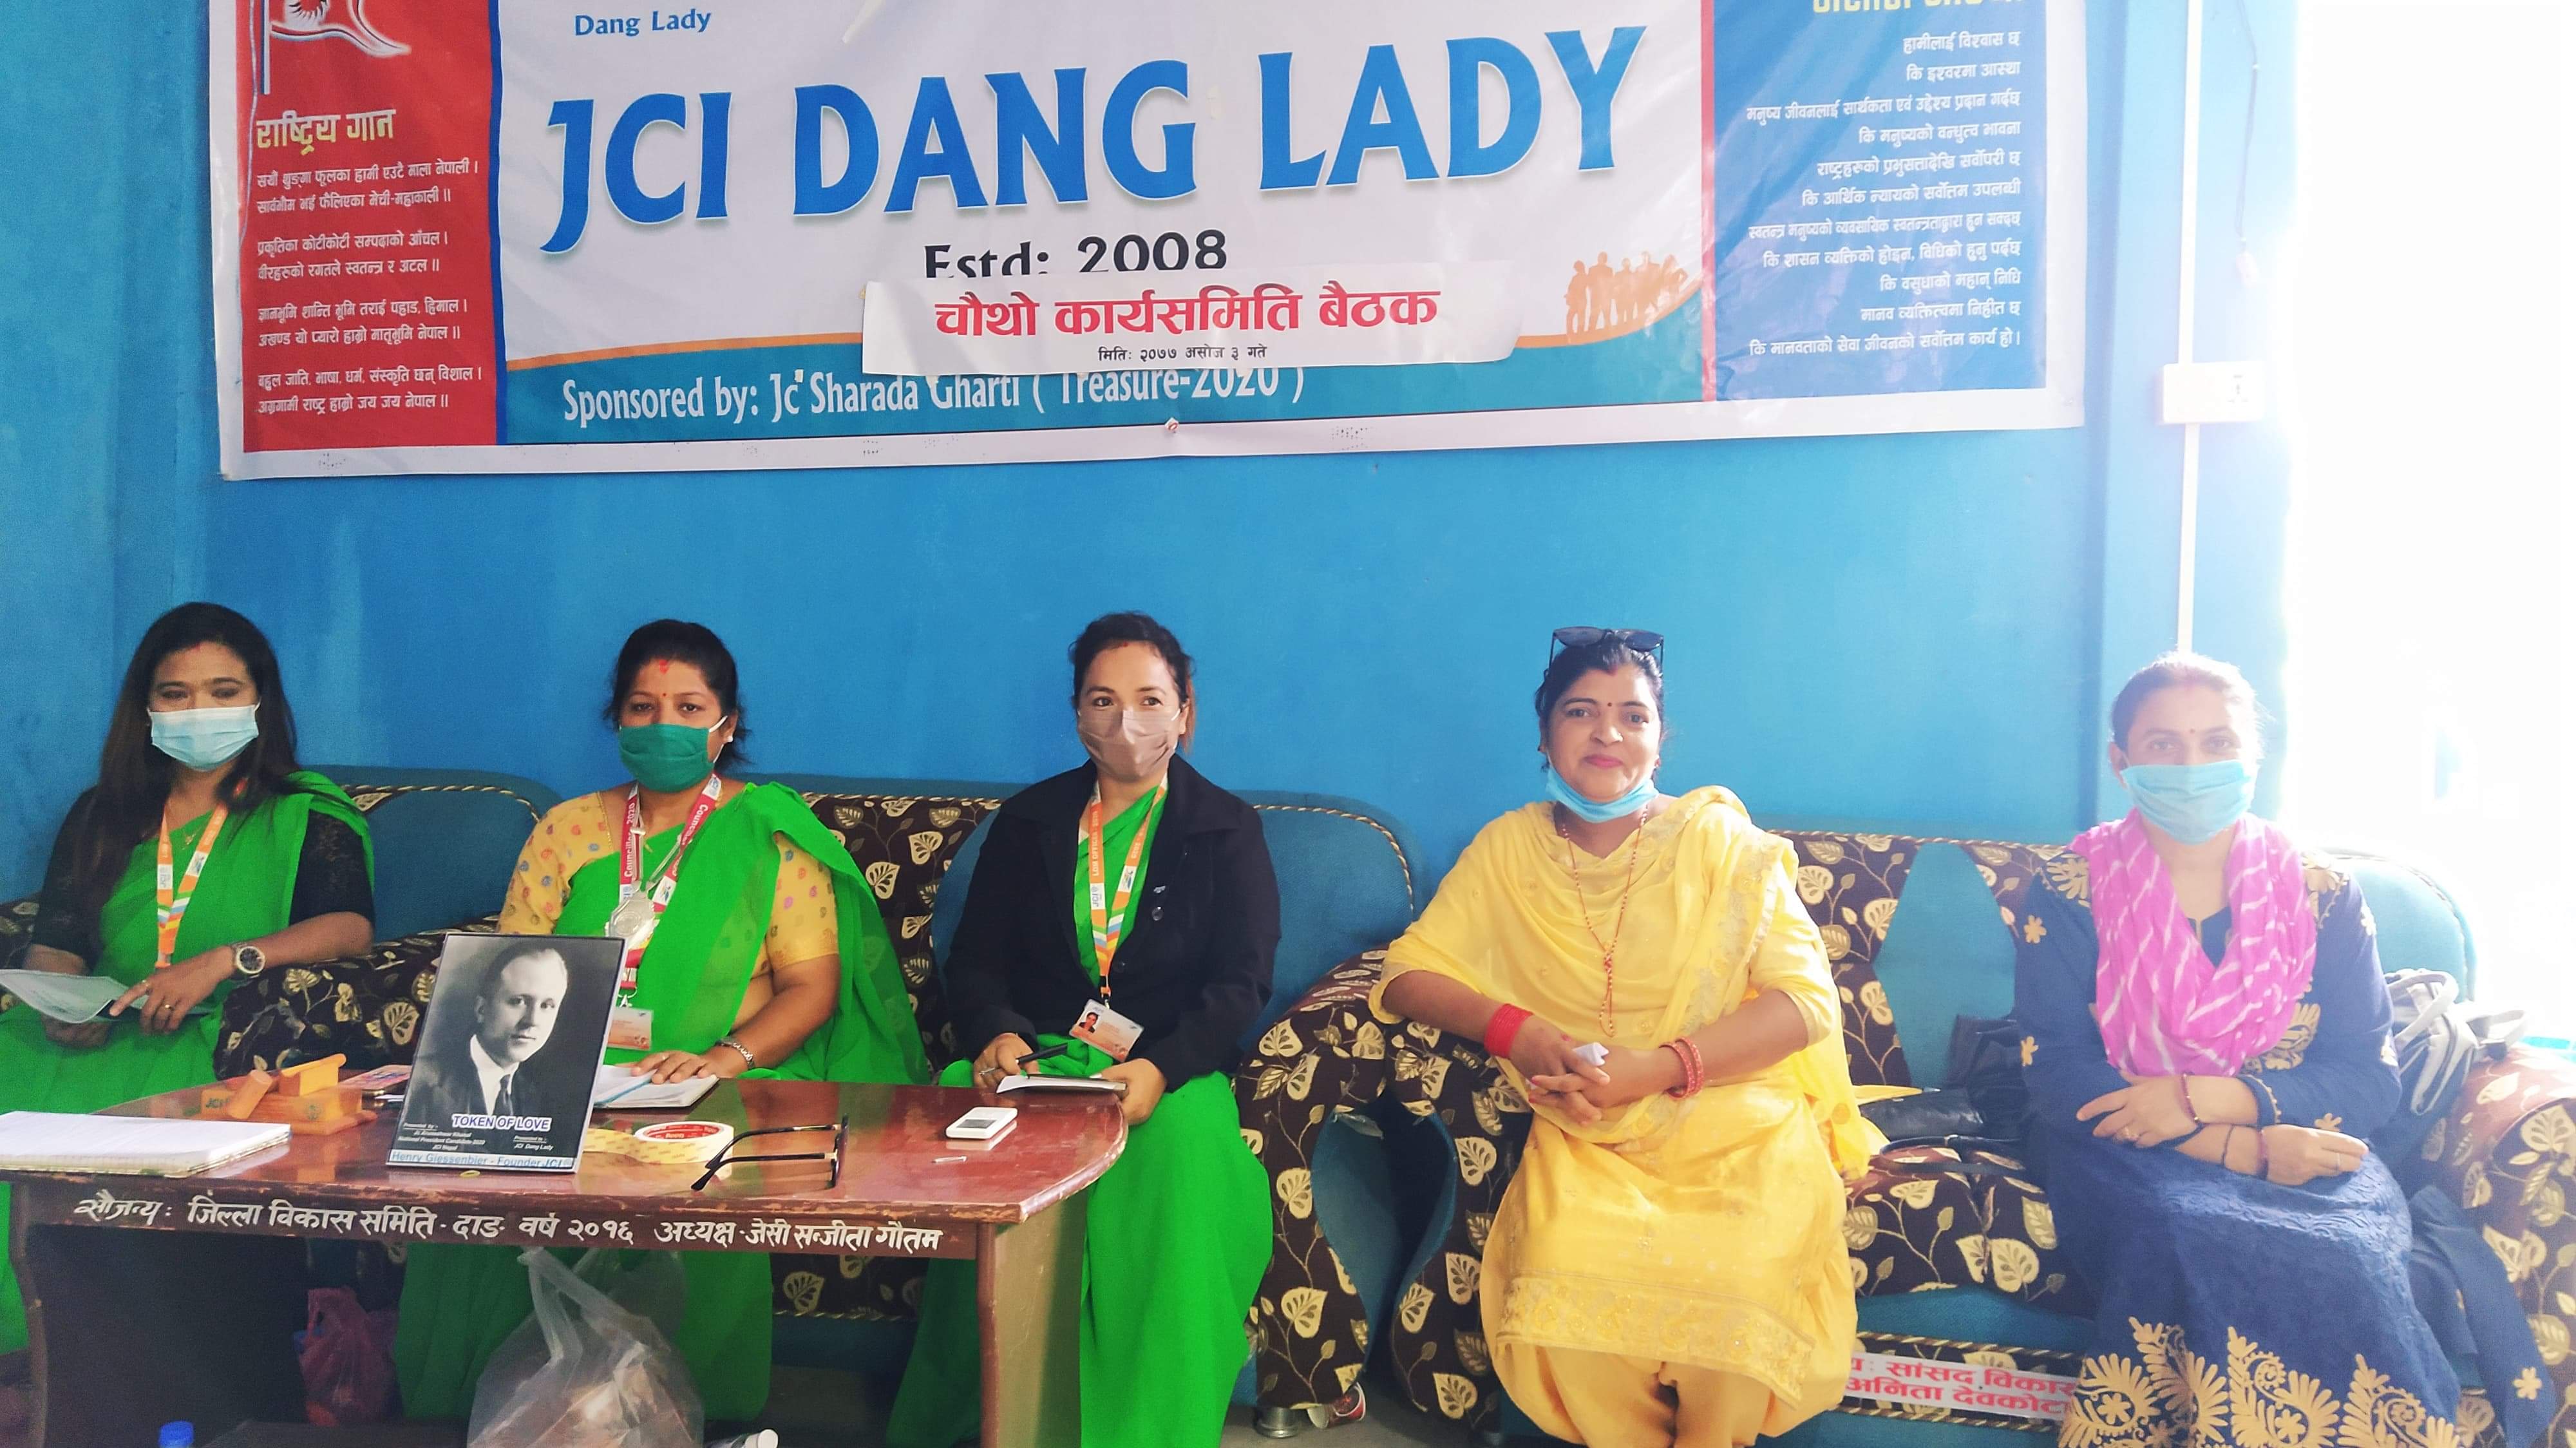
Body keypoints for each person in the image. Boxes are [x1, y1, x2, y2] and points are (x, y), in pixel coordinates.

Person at [393, 620, 928, 1424]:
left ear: (727, 725)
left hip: (716, 1078)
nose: (663, 725)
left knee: (698, 1165)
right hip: (562, 1073)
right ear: (617, 719)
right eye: (642, 707)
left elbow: (811, 989)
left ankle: (680, 1415)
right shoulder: (567, 829)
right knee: (478, 1167)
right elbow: (505, 962)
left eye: (688, 707)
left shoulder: (769, 834)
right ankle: (503, 1415)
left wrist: (723, 1057)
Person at [1370, 628, 1875, 1448]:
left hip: (1733, 1119)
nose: (1607, 732)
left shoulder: (1721, 846)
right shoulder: (1508, 848)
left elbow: (1804, 1004)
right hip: (1589, 1129)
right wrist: (1518, 1031)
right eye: (1581, 711)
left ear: (1659, 740)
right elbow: (1406, 974)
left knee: (1740, 1285)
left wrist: (1661, 1066)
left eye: (1632, 716)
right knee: (1565, 1287)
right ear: (1544, 735)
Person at [2016, 653, 2459, 1446]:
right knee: (2185, 1232)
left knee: (2348, 1255)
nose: (2192, 766)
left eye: (2217, 741)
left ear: (2252, 755)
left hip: (2297, 1137)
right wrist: (2236, 1148)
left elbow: (2367, 1077)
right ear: (2121, 762)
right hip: (2125, 1144)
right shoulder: (2070, 886)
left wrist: (2210, 1099)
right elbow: (2055, 1072)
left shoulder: (2322, 893)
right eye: (2163, 744)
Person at [887, 612, 1277, 1448]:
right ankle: (991, 1417)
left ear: (1186, 712)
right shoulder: (1029, 821)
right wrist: (995, 1034)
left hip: (1167, 1070)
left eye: (1149, 700)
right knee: (971, 1123)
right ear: (1076, 715)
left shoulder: (1227, 830)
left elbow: (1241, 983)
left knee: (1179, 1156)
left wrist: (1162, 1069)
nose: (1125, 721)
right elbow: (975, 958)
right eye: (1103, 700)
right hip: (1037, 1058)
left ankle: (1143, 1429)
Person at [0, 604, 374, 1388]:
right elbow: (59, 937)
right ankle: (20, 1350)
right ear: (145, 707)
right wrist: (64, 1001)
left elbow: (347, 928)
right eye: (176, 693)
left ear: (260, 700)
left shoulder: (304, 810)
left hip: (220, 1033)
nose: (198, 709)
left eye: (222, 690)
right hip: (104, 1027)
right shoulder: (104, 813)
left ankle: (109, 1357)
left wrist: (223, 962)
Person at [405, 944, 570, 1125]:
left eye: (547, 1006)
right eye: (518, 1001)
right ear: (482, 1009)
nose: (532, 1020)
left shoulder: (542, 1096)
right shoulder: (421, 1084)